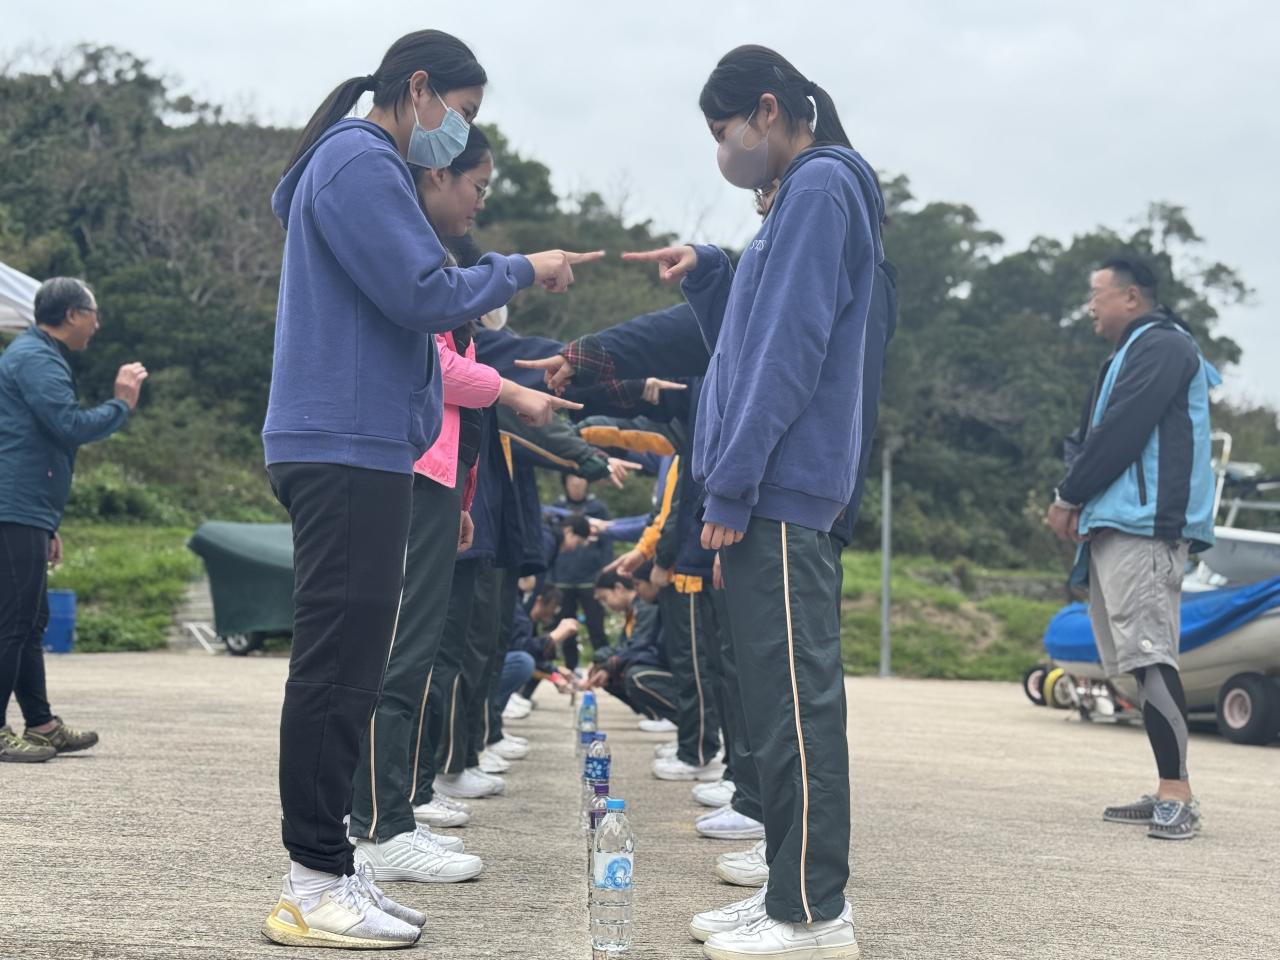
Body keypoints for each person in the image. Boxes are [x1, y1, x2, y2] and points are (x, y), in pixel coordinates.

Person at [260, 29, 601, 949]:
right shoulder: (360, 160)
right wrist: (523, 268)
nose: (462, 129)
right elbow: (421, 294)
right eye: (465, 112)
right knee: (337, 665)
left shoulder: (358, 164)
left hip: (363, 443)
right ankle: (310, 879)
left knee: (354, 662)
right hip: (344, 444)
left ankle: (332, 865)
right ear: (420, 89)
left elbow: (414, 300)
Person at [623, 44, 881, 959]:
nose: (721, 150)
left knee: (795, 703)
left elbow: (787, 351)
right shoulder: (797, 196)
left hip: (781, 486)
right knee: (772, 703)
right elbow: (746, 337)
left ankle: (812, 912)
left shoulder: (820, 186)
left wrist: (730, 484)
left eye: (721, 130)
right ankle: (786, 891)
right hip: (770, 484)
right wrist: (709, 271)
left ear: (768, 111)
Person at [347, 125, 578, 886]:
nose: (481, 202)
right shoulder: (417, 265)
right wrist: (512, 390)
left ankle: (391, 815)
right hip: (409, 474)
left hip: (438, 481)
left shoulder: (432, 262)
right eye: (477, 186)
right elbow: (433, 366)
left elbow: (451, 393)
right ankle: (378, 824)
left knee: (416, 652)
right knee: (404, 652)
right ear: (438, 177)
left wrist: (464, 497)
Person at [1047, 257, 1218, 842]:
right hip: (1119, 523)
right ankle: (1168, 784)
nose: (1090, 306)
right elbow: (1088, 436)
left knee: (1150, 655)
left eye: (1097, 294)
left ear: (1132, 297)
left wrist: (1069, 495)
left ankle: (1177, 793)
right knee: (1137, 661)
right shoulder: (1126, 354)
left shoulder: (1164, 345)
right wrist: (1077, 496)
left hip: (1147, 526)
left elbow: (1123, 429)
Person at [0, 277, 146, 763]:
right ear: (71, 316)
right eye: (94, 314)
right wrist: (122, 403)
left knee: (30, 619)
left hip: (27, 508)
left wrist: (47, 524)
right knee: (13, 621)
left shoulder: (38, 354)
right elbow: (67, 425)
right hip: (15, 506)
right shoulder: (36, 359)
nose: (97, 325)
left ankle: (42, 724)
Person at [586, 566, 681, 725]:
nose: (636, 590)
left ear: (618, 588)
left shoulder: (646, 607)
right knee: (612, 670)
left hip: (668, 667)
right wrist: (603, 662)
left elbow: (641, 645)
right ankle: (661, 716)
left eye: (604, 598)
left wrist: (610, 664)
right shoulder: (634, 610)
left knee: (635, 675)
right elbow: (629, 647)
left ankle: (669, 717)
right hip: (658, 662)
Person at [549, 473, 612, 660]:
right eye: (572, 479)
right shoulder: (557, 508)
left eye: (581, 479)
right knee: (566, 626)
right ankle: (571, 666)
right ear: (565, 483)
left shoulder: (598, 508)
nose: (576, 483)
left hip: (590, 579)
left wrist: (604, 573)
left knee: (596, 626)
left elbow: (607, 544)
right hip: (563, 578)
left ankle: (603, 663)